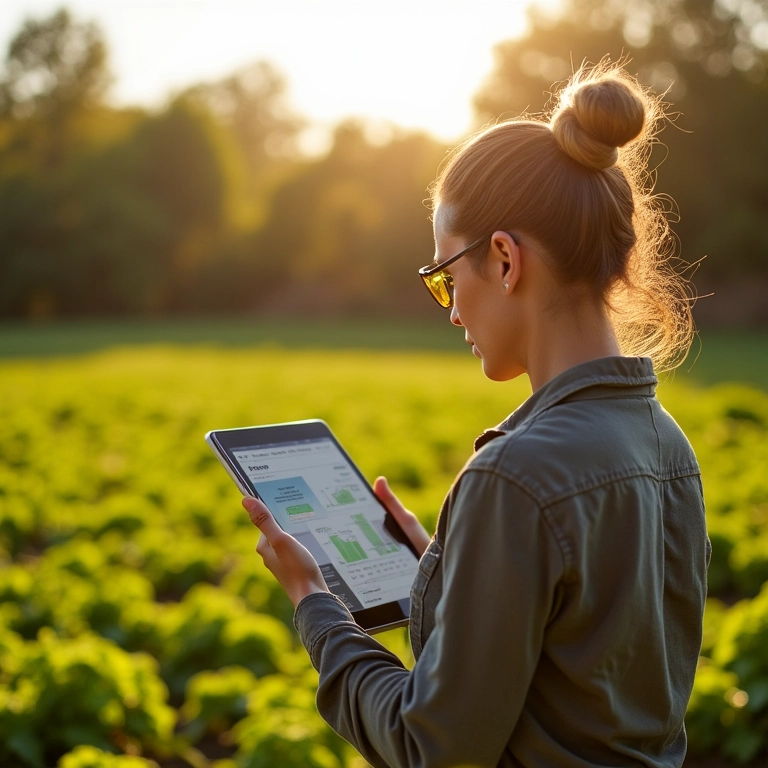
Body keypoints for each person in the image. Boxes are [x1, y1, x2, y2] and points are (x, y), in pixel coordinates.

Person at [242, 60, 710, 768]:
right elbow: (583, 672)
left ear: (504, 260)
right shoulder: (668, 446)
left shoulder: (515, 478)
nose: (453, 309)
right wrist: (446, 565)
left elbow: (428, 747)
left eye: (445, 277)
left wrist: (314, 602)